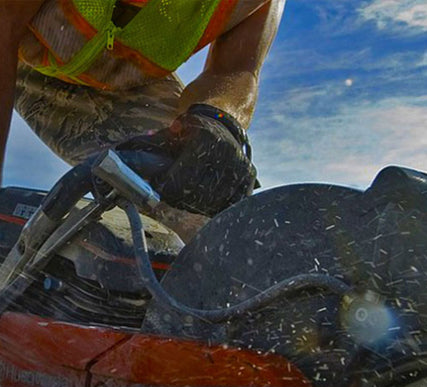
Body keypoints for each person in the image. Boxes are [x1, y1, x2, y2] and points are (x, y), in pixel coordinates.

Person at [0, 0, 285, 241]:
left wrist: (214, 120)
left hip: (121, 77)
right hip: (18, 41)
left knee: (201, 199)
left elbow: (235, 71)